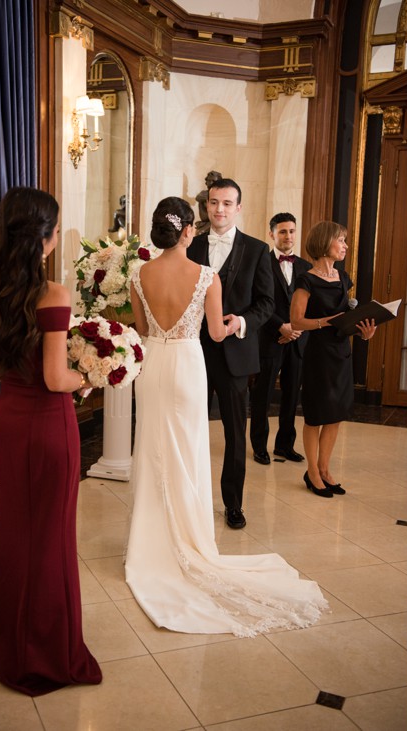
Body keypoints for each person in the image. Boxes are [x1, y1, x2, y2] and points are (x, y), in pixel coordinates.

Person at [125, 197, 327, 637]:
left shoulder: (137, 274)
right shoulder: (206, 277)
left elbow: (141, 329)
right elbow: (216, 331)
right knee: (188, 448)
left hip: (153, 368)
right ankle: (189, 538)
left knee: (153, 446)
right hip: (186, 365)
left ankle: (150, 539)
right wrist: (237, 324)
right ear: (186, 232)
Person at [0, 187, 102, 695]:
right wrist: (92, 376)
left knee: (13, 533)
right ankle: (45, 655)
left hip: (8, 423)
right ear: (43, 239)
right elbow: (54, 378)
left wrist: (25, 377)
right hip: (47, 427)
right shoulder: (55, 294)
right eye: (57, 228)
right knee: (51, 538)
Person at [187, 178, 274, 528]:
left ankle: (233, 504)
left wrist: (240, 321)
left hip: (236, 354)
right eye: (213, 202)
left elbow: (266, 303)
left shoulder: (257, 250)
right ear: (206, 206)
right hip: (193, 353)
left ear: (238, 208)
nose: (219, 209)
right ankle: (190, 500)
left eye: (227, 203)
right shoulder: (190, 248)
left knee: (235, 434)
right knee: (190, 428)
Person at [289, 222, 376, 498]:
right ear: (326, 242)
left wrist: (364, 332)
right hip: (318, 354)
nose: (345, 246)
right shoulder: (306, 279)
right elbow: (295, 320)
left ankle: (325, 470)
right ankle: (312, 472)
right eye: (341, 240)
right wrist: (323, 322)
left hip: (342, 353)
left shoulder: (343, 277)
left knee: (335, 414)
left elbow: (345, 319)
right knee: (316, 416)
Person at [248, 212, 311, 465]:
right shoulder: (260, 262)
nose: (288, 236)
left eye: (292, 231)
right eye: (283, 231)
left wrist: (296, 329)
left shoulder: (306, 267)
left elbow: (311, 305)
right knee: (261, 395)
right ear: (272, 234)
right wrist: (280, 327)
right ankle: (259, 446)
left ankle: (285, 445)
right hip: (268, 338)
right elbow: (256, 301)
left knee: (291, 396)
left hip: (297, 341)